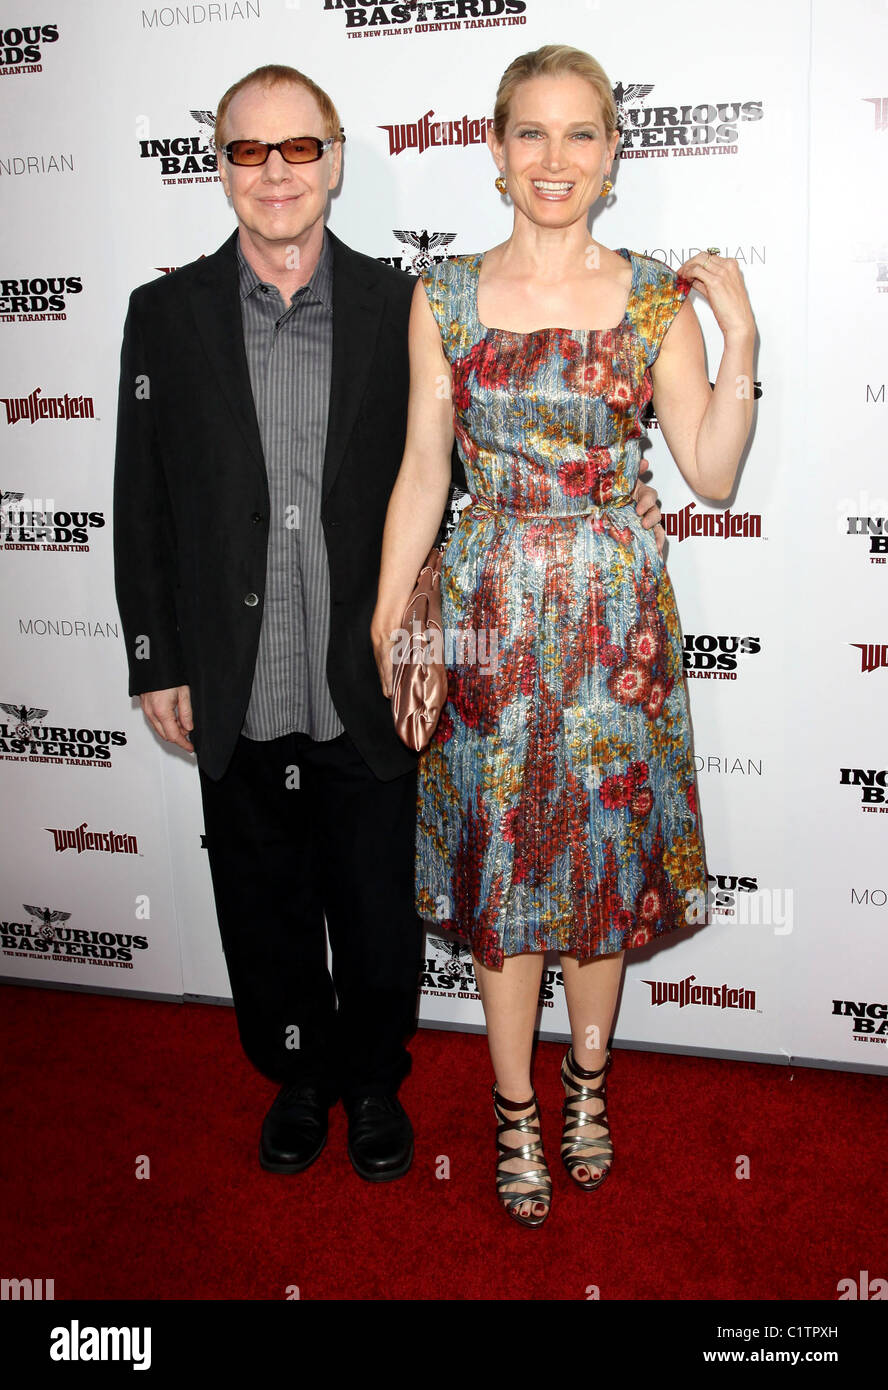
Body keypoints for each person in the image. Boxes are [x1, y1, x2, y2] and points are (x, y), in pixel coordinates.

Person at [114, 62, 666, 1187]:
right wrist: (155, 656)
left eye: (299, 148)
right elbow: (143, 500)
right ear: (218, 167)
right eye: (247, 152)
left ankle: (372, 1080)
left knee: (375, 906)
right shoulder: (160, 317)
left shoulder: (399, 303)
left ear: (337, 160)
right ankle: (297, 1074)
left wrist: (624, 488)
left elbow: (480, 455)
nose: (276, 175)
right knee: (263, 904)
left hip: (369, 671)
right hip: (234, 672)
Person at [372, 44, 755, 1224]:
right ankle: (513, 1109)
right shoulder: (439, 297)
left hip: (615, 622)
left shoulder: (652, 298)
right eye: (530, 134)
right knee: (505, 876)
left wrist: (739, 341)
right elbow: (423, 468)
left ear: (612, 153)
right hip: (488, 618)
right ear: (493, 149)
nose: (554, 159)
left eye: (580, 133)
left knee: (595, 868)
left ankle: (587, 1083)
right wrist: (391, 616)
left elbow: (711, 470)